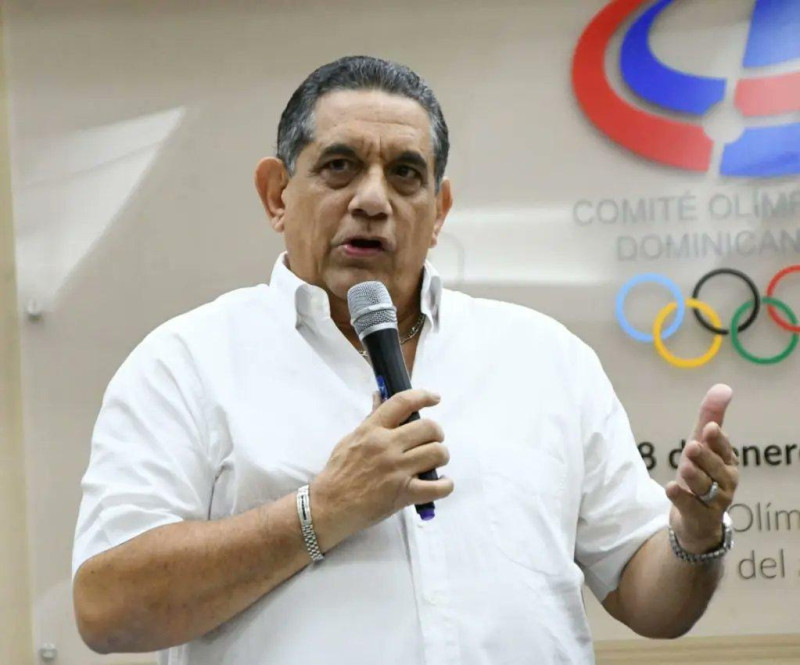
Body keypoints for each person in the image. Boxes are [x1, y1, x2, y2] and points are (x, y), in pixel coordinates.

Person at [72, 56, 740, 664]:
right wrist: (321, 511)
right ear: (277, 194)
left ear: (439, 210)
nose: (372, 199)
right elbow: (107, 608)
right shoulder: (186, 363)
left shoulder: (546, 358)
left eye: (405, 174)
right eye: (339, 166)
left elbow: (650, 600)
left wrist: (697, 536)